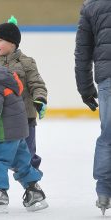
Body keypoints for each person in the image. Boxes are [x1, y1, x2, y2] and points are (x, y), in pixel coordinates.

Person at [0, 16, 48, 208]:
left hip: (24, 117)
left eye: (0, 40)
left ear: (13, 43)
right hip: (5, 123)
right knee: (9, 154)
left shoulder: (26, 62)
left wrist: (40, 100)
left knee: (10, 155)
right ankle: (28, 188)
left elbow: (37, 84)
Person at [75, 0, 111, 215]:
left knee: (108, 136)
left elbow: (83, 53)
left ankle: (104, 191)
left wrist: (86, 88)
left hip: (108, 80)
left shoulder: (92, 7)